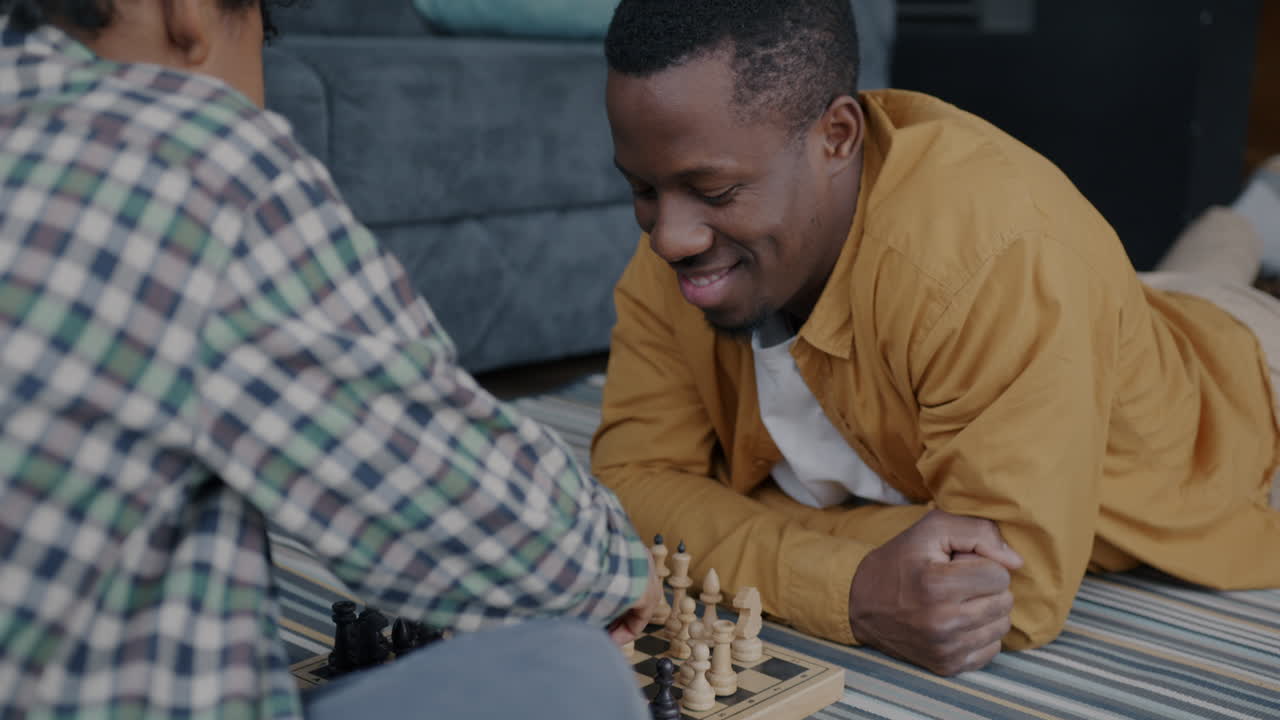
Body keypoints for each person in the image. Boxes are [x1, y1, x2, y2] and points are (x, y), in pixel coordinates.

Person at [0, 1, 659, 718]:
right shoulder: (194, 155)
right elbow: (455, 499)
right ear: (186, 10)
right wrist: (615, 567)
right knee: (571, 672)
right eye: (262, 36)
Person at [592, 0, 1280, 677]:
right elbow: (627, 489)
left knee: (1200, 298)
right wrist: (855, 581)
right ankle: (1255, 215)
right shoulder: (679, 257)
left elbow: (1010, 590)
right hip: (1120, 307)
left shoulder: (999, 260)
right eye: (644, 190)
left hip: (1246, 384)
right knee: (1181, 274)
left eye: (713, 191)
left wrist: (719, 516)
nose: (670, 236)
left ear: (837, 136)